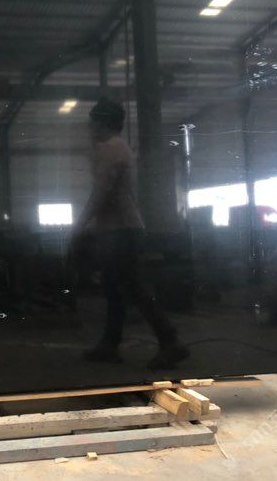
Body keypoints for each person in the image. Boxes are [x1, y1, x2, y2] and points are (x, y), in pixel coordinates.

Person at [73, 98, 188, 370]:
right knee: (115, 289)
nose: (89, 128)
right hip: (118, 230)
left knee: (132, 288)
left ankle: (170, 341)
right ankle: (109, 345)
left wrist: (79, 226)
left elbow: (101, 192)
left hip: (121, 231)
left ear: (101, 123)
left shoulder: (112, 148)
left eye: (92, 123)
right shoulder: (114, 148)